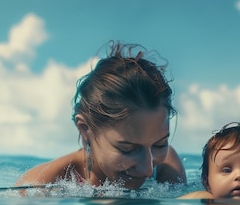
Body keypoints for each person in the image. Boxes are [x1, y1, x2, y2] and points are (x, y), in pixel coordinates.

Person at [16, 41, 186, 190]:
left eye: (159, 145)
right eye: (128, 149)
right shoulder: (41, 185)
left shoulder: (166, 166)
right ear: (85, 130)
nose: (148, 169)